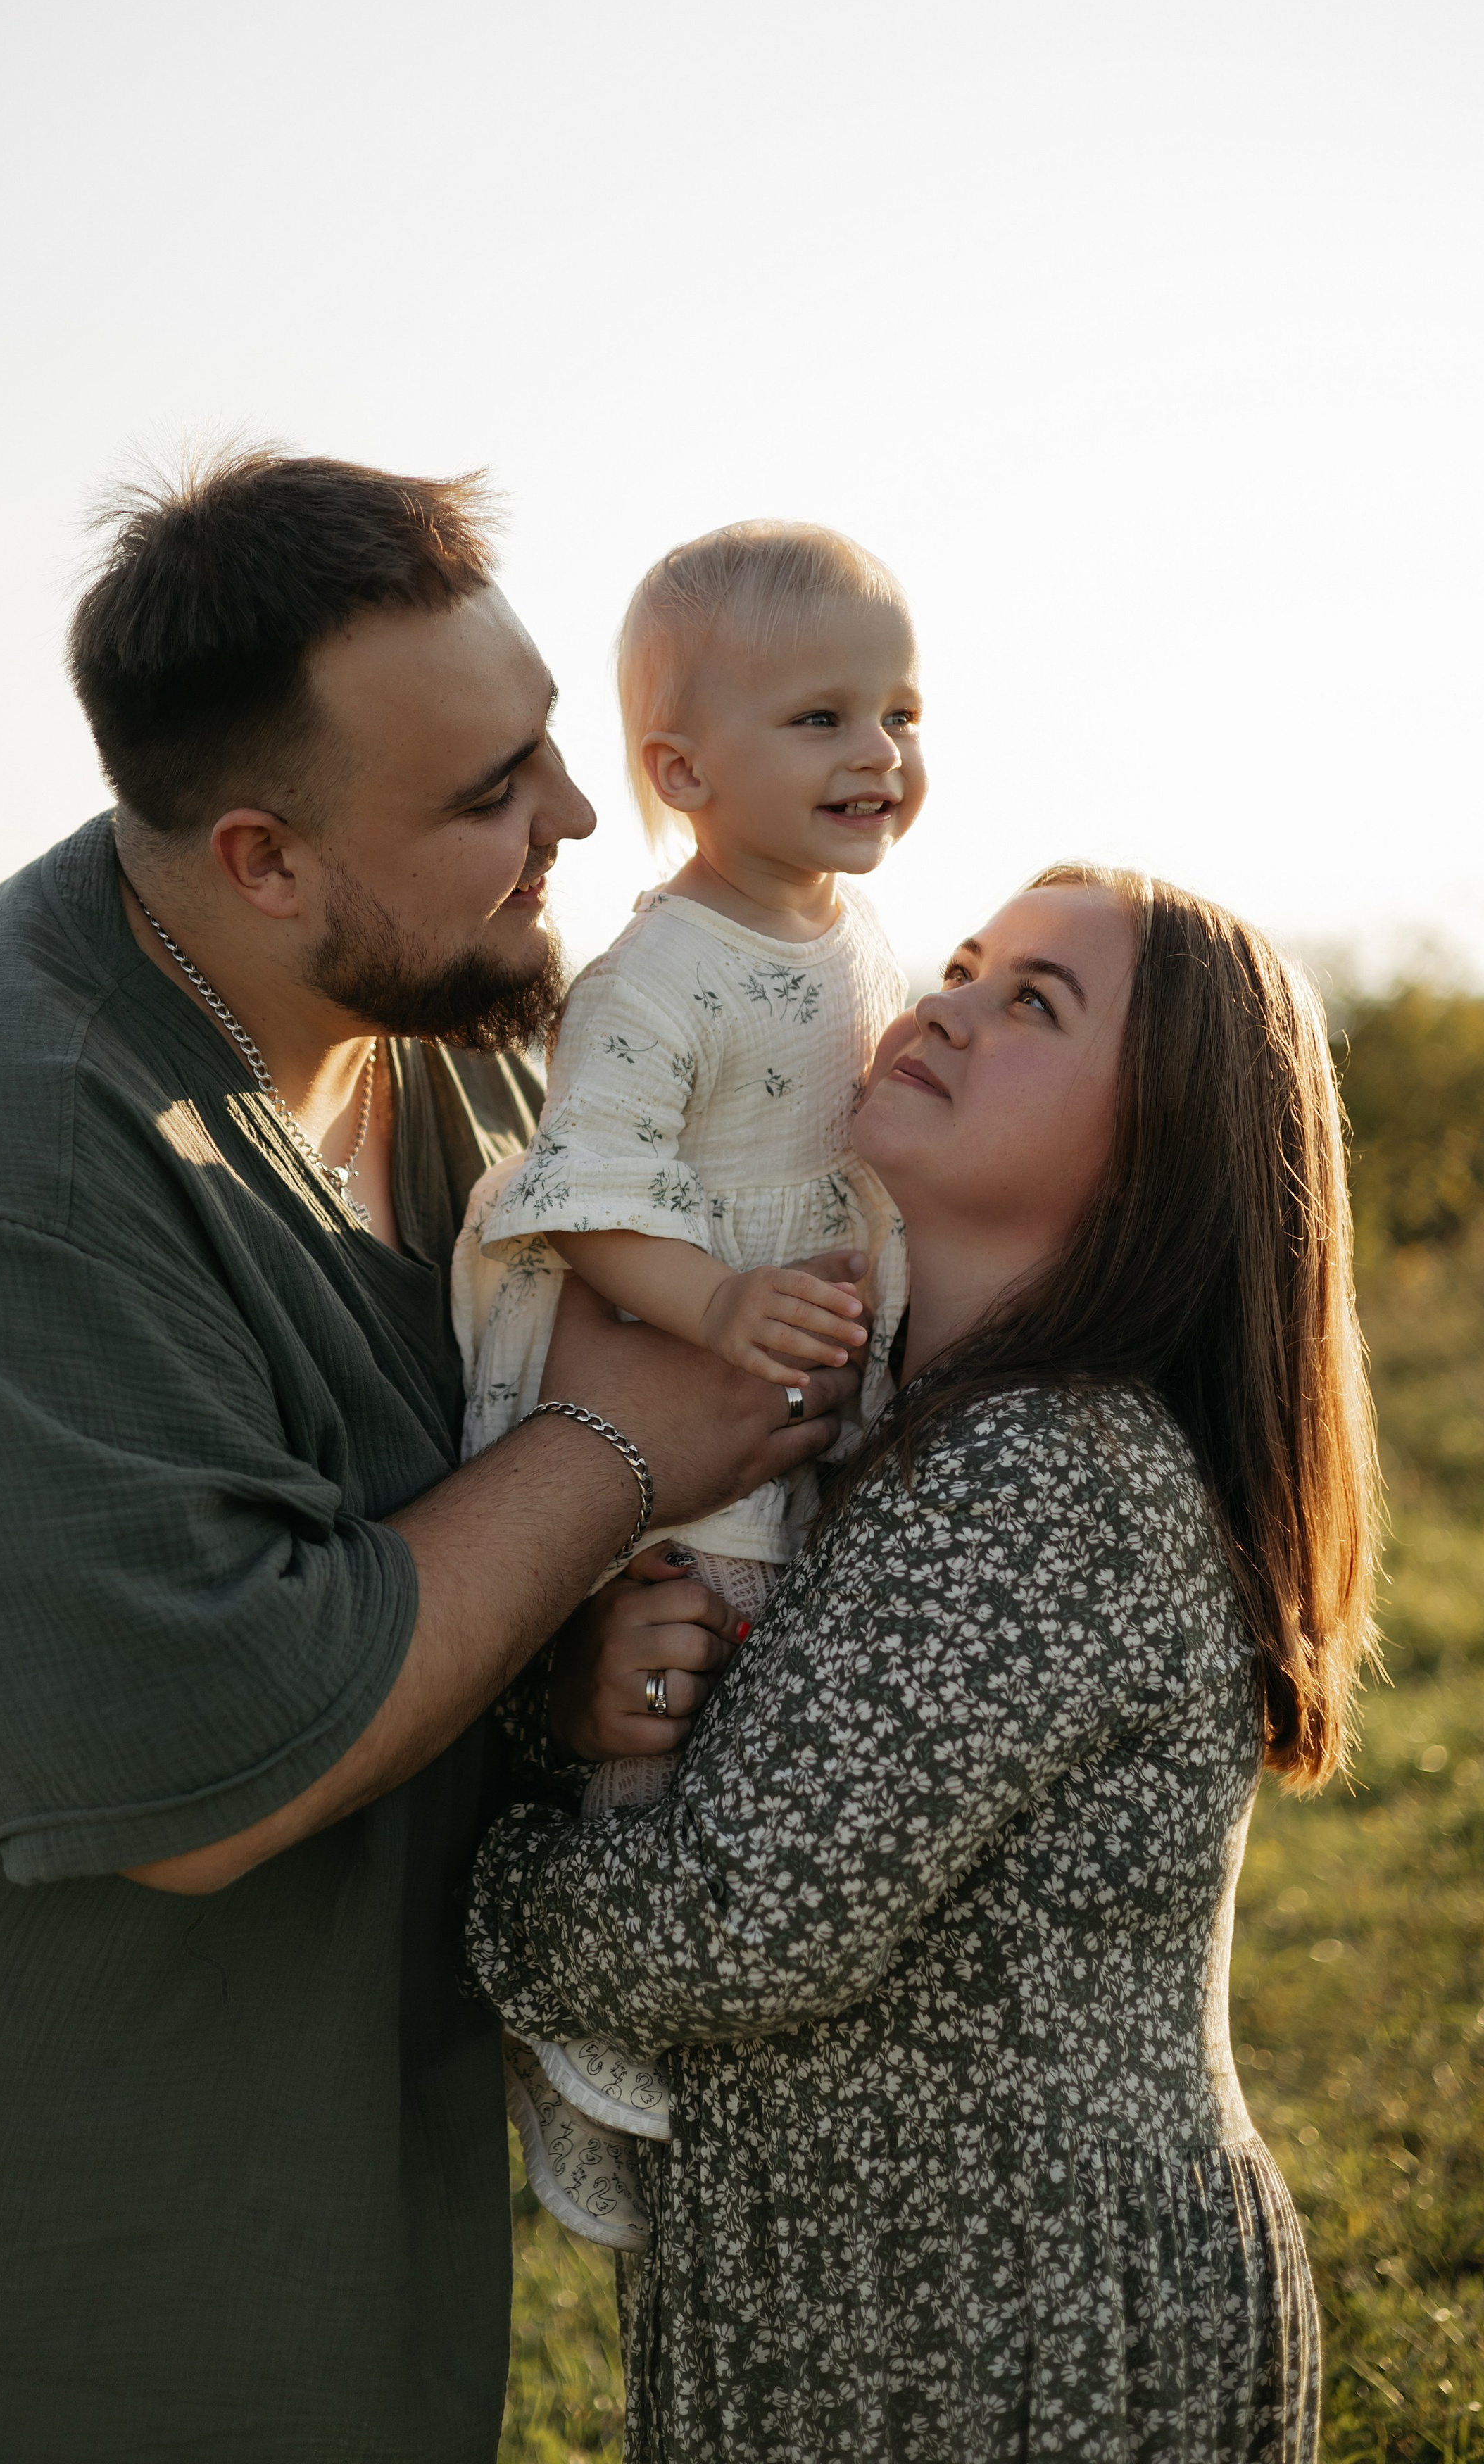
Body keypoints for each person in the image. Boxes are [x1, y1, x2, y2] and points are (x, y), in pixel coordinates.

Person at [0, 447, 856, 2464]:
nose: (577, 819)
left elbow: (417, 1520)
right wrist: (615, 1456)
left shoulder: (450, 1026)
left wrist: (554, 1658)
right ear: (264, 861)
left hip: (307, 2229)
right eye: (488, 795)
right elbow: (211, 1765)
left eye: (546, 742)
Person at [467, 865, 1378, 2463]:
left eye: (1033, 1003)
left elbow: (729, 1927)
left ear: (1159, 1151)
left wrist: (452, 1858)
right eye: (959, 966)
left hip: (1016, 2346)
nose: (946, 1007)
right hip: (889, 2337)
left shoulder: (1039, 1473)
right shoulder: (888, 1439)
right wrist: (582, 1700)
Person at [453, 520, 923, 2242]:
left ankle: (721, 2001)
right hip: (676, 1361)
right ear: (680, 771)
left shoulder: (854, 932)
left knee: (770, 1672)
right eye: (819, 719)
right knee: (684, 1638)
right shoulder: (658, 973)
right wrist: (715, 1300)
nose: (877, 752)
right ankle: (600, 2024)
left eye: (899, 712)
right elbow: (585, 1190)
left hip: (802, 1369)